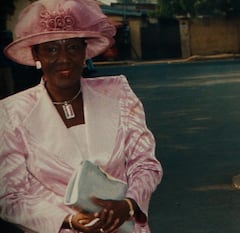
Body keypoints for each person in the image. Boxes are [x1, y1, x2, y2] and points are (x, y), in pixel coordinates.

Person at [0, 0, 163, 232]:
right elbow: (10, 196)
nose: (64, 58)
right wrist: (68, 219)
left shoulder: (118, 92)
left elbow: (145, 164)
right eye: (51, 48)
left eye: (73, 47)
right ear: (36, 54)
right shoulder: (11, 113)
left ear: (85, 52)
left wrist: (129, 204)